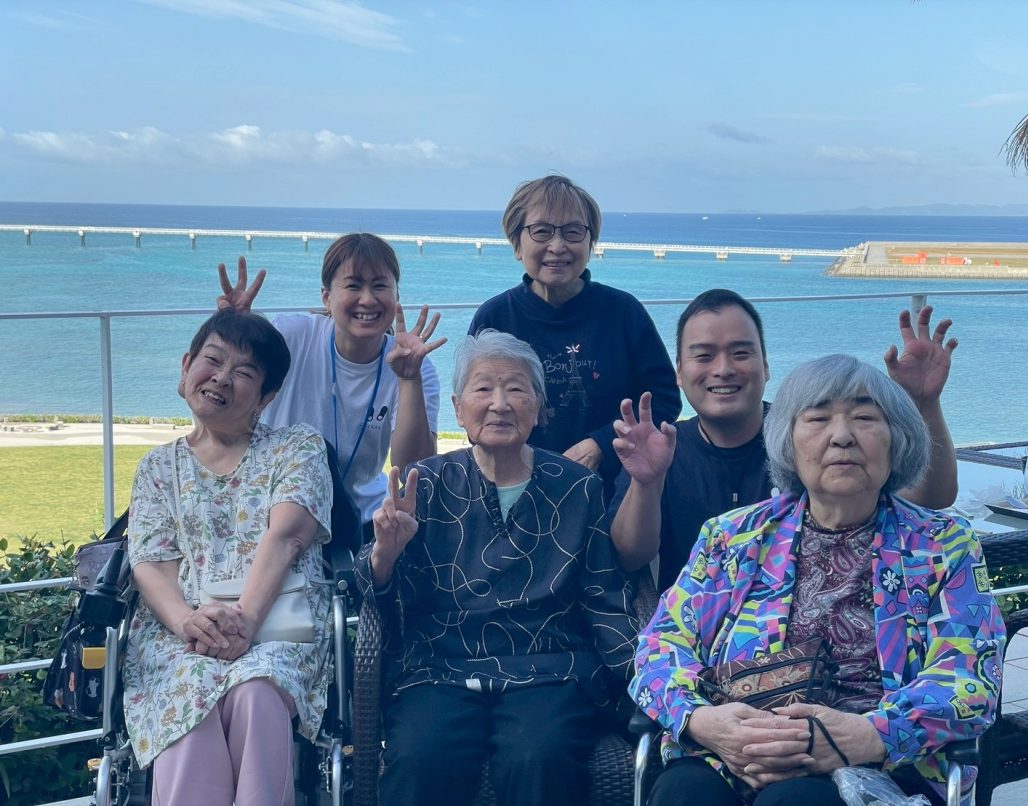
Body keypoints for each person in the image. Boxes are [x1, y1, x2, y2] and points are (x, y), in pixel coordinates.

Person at [630, 354, 1005, 806]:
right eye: (818, 418)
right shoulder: (733, 536)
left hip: (883, 763)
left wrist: (870, 734)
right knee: (684, 796)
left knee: (793, 802)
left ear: (898, 440)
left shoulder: (943, 545)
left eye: (865, 417)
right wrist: (702, 721)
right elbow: (659, 646)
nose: (841, 435)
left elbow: (969, 680)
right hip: (731, 752)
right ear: (788, 442)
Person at [356, 329, 637, 806]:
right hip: (440, 666)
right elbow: (376, 584)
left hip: (551, 668)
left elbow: (603, 594)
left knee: (538, 755)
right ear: (459, 408)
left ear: (539, 408)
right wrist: (387, 551)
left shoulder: (578, 486)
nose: (500, 404)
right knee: (422, 756)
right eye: (483, 388)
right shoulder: (428, 483)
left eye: (517, 389)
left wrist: (645, 678)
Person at [123, 308, 333, 805]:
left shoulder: (296, 447)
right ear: (186, 366)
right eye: (213, 360)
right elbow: (151, 564)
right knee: (188, 690)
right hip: (181, 636)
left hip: (278, 628)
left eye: (244, 372)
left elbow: (287, 535)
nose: (221, 378)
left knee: (256, 691)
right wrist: (188, 623)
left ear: (266, 396)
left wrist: (244, 623)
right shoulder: (157, 468)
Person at [609, 289, 960, 587]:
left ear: (765, 366)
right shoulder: (662, 447)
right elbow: (630, 555)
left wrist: (923, 404)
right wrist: (647, 482)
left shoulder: (809, 435)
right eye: (704, 356)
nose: (723, 369)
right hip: (699, 624)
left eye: (741, 353)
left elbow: (930, 498)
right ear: (679, 372)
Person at [468, 175, 681, 503]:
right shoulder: (495, 318)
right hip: (517, 494)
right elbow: (474, 409)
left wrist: (602, 444)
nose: (557, 246)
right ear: (516, 244)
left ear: (590, 243)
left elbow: (664, 400)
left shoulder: (623, 312)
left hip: (612, 494)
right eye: (542, 231)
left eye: (572, 232)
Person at [217, 232, 444, 528]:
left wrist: (409, 379)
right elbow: (221, 395)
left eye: (380, 286)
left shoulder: (416, 365)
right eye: (353, 285)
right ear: (326, 297)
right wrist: (235, 330)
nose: (367, 299)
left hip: (361, 518)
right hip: (272, 506)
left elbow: (414, 469)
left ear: (396, 296)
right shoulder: (291, 336)